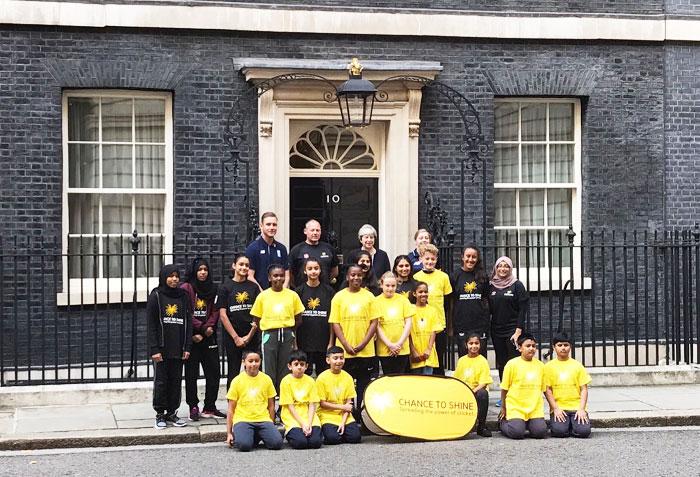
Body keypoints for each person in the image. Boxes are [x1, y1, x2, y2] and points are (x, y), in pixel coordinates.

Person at [147, 264, 192, 429]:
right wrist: (154, 349)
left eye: (176, 276)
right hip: (162, 348)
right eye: (170, 276)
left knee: (175, 381)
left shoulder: (183, 296)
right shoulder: (156, 296)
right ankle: (160, 414)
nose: (174, 279)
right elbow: (151, 325)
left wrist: (187, 347)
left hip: (178, 348)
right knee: (161, 382)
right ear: (164, 277)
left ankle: (172, 413)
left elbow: (188, 323)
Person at [181, 258, 225, 421]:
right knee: (191, 374)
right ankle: (193, 406)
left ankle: (210, 406)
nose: (203, 272)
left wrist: (209, 327)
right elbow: (186, 313)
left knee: (214, 373)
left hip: (208, 335)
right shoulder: (186, 288)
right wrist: (200, 329)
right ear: (194, 271)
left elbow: (215, 310)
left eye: (205, 269)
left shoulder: (213, 288)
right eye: (199, 269)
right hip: (192, 337)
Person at [328, 264, 378, 411]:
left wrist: (363, 343)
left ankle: (360, 414)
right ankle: (347, 412)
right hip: (345, 351)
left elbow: (374, 322)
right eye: (353, 275)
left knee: (364, 384)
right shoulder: (339, 297)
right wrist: (345, 344)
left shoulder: (369, 296)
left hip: (366, 350)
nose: (356, 277)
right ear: (347, 277)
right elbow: (335, 323)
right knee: (345, 383)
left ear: (363, 277)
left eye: (359, 275)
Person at [250, 264, 305, 391]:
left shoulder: (292, 295)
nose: (278, 279)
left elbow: (298, 318)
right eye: (275, 276)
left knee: (285, 369)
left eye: (281, 276)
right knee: (269, 369)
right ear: (269, 278)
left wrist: (289, 330)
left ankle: (283, 404)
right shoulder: (263, 296)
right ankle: (270, 402)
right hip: (270, 335)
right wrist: (269, 329)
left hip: (287, 334)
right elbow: (256, 319)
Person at [216, 254, 260, 390]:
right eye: (241, 264)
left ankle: (253, 401)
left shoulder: (253, 287)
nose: (244, 267)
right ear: (234, 266)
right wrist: (236, 337)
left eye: (247, 265)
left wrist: (250, 335)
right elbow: (223, 315)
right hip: (232, 337)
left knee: (253, 370)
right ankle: (232, 405)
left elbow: (258, 313)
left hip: (251, 336)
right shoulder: (225, 287)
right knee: (233, 371)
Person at [225, 350, 283, 452]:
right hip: (243, 419)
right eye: (250, 361)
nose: (254, 364)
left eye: (257, 361)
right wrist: (229, 433)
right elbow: (231, 409)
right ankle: (248, 435)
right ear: (244, 362)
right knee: (244, 445)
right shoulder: (237, 381)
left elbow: (271, 406)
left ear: (260, 361)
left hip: (263, 419)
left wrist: (271, 424)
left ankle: (256, 434)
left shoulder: (266, 379)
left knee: (277, 443)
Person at [498, 333, 547, 440]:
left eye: (533, 346)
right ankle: (503, 423)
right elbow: (504, 389)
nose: (531, 349)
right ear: (520, 348)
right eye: (528, 346)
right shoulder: (511, 364)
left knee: (540, 432)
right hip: (516, 407)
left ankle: (529, 423)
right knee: (516, 433)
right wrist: (503, 407)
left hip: (534, 408)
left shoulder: (540, 366)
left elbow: (545, 389)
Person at [413, 244, 452, 375]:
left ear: (436, 259)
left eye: (433, 259)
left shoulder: (443, 277)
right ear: (421, 259)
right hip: (420, 326)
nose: (430, 262)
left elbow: (448, 302)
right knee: (422, 359)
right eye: (427, 259)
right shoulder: (416, 277)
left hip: (438, 324)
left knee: (439, 359)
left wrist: (449, 325)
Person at [544, 332, 592, 438]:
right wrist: (555, 408)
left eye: (566, 345)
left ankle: (573, 425)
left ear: (570, 346)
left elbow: (584, 389)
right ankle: (567, 425)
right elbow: (547, 390)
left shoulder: (577, 366)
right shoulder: (548, 367)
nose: (563, 348)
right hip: (559, 408)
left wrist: (582, 409)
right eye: (559, 345)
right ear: (554, 347)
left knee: (583, 432)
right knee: (559, 432)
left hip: (576, 407)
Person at [489, 256, 529, 383]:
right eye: (500, 266)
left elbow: (523, 310)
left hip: (512, 330)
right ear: (496, 268)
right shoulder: (491, 286)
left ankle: (516, 391)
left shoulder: (517, 285)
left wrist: (518, 331)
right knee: (501, 362)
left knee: (515, 362)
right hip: (496, 330)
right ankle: (504, 393)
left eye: (506, 266)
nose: (503, 268)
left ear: (510, 268)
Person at [294, 258, 335, 376]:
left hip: (323, 342)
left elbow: (332, 319)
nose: (313, 271)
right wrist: (295, 343)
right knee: (304, 377)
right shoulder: (298, 292)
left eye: (316, 268)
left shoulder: (329, 291)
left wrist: (331, 342)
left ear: (320, 270)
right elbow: (295, 320)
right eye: (310, 269)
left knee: (324, 376)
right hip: (303, 343)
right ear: (305, 271)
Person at [316, 346, 362, 445]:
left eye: (341, 358)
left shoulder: (348, 377)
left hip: (344, 415)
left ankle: (340, 430)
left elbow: (349, 404)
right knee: (333, 439)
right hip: (327, 415)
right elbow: (322, 404)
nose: (339, 361)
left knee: (355, 438)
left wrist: (343, 422)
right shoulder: (321, 378)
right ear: (328, 360)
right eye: (335, 358)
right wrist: (342, 407)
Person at [450, 245, 490, 358]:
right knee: (464, 359)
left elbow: (486, 299)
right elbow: (452, 301)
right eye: (468, 256)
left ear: (477, 259)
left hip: (480, 324)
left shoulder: (483, 276)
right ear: (462, 257)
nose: (470, 259)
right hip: (462, 324)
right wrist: (451, 326)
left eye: (474, 257)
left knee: (481, 359)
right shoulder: (454, 276)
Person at [279, 350, 323, 449]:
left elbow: (312, 404)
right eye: (296, 364)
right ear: (290, 366)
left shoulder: (311, 381)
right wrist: (303, 424)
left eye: (302, 364)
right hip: (293, 416)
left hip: (308, 414)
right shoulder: (285, 381)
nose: (299, 367)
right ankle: (289, 434)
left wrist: (309, 423)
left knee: (315, 442)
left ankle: (310, 431)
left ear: (306, 366)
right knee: (300, 443)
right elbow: (290, 406)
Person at [372, 272, 413, 375]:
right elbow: (377, 326)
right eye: (387, 285)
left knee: (401, 377)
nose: (390, 288)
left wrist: (399, 344)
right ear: (381, 285)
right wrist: (389, 345)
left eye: (393, 286)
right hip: (384, 348)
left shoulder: (403, 300)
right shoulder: (375, 301)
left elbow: (408, 322)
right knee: (388, 377)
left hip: (402, 348)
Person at [454, 333, 493, 437]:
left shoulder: (483, 361)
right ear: (466, 345)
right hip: (464, 392)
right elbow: (457, 380)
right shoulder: (461, 360)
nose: (474, 346)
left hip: (476, 393)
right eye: (471, 343)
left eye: (476, 343)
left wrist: (472, 392)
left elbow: (484, 383)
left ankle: (481, 426)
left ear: (480, 345)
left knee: (483, 393)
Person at [245, 211, 290, 290]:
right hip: (260, 296)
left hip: (279, 295)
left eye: (274, 225)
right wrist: (263, 294)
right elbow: (250, 276)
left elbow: (287, 275)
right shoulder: (252, 248)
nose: (272, 227)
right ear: (261, 226)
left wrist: (282, 291)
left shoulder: (282, 248)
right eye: (268, 224)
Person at [288, 219, 339, 287]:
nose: (315, 233)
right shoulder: (296, 250)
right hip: (302, 293)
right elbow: (289, 273)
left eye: (317, 230)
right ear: (305, 231)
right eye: (312, 230)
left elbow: (335, 271)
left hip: (324, 292)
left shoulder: (329, 248)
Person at [408, 281, 441, 375]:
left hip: (428, 353)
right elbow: (408, 332)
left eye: (425, 292)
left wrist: (429, 349)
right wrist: (413, 351)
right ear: (414, 293)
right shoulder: (410, 309)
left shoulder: (432, 310)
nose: (423, 294)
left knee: (428, 379)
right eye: (420, 292)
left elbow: (433, 331)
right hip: (416, 351)